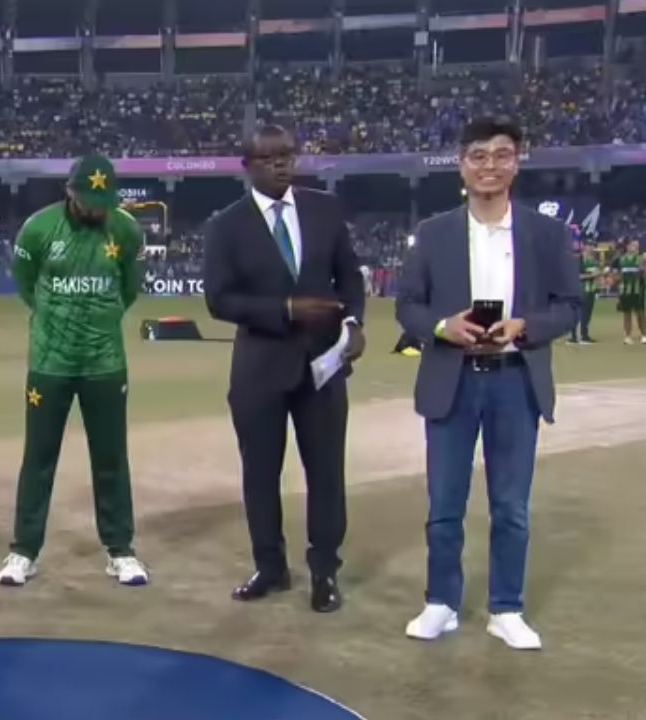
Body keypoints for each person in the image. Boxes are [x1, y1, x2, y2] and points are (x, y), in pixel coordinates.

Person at [396, 117, 580, 650]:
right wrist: (442, 327)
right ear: (462, 165)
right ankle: (441, 602)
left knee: (511, 507)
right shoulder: (434, 233)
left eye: (502, 155)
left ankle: (506, 608)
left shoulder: (545, 234)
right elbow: (408, 305)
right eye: (478, 156)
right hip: (452, 381)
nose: (490, 166)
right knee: (445, 505)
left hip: (515, 381)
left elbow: (570, 305)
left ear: (517, 162)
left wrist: (525, 326)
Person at [202, 124, 365, 614]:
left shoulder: (324, 209)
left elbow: (350, 276)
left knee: (326, 473)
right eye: (269, 158)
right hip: (260, 369)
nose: (281, 165)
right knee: (260, 474)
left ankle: (324, 571)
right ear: (246, 166)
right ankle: (270, 567)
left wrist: (353, 323)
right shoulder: (226, 225)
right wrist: (286, 309)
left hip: (323, 365)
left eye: (287, 156)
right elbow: (219, 299)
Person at [0, 154, 150, 587]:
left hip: (105, 363)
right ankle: (23, 552)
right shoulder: (39, 228)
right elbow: (26, 283)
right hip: (50, 363)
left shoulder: (126, 229)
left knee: (111, 458)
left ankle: (120, 551)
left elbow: (130, 288)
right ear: (70, 191)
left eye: (104, 202)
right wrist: (56, 320)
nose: (97, 210)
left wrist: (99, 320)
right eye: (89, 201)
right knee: (38, 458)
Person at [568, 243, 601, 344]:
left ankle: (584, 335)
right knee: (579, 314)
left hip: (591, 290)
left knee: (587, 314)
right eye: (589, 246)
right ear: (585, 247)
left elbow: (597, 276)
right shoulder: (579, 260)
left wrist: (600, 277)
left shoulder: (595, 261)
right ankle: (576, 336)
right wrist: (591, 275)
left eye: (593, 246)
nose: (591, 248)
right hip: (581, 290)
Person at [615, 239, 644, 344]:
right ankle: (627, 336)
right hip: (625, 291)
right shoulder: (621, 259)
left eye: (637, 246)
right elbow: (617, 275)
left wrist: (643, 268)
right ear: (627, 247)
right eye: (633, 245)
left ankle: (644, 335)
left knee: (640, 313)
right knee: (627, 314)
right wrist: (618, 285)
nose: (635, 248)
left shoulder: (641, 259)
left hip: (638, 290)